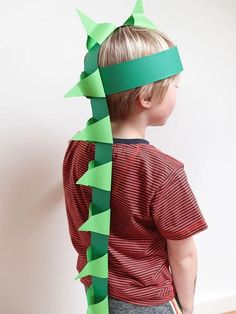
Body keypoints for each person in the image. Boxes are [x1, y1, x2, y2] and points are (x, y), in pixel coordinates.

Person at [63, 25, 208, 314]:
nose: (176, 95)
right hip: (146, 301)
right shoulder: (162, 172)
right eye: (174, 87)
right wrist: (186, 307)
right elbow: (183, 256)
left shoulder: (77, 148)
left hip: (97, 291)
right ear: (146, 97)